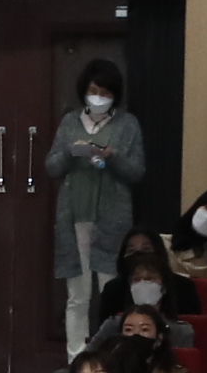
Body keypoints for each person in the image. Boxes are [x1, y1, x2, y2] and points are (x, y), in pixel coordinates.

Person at [45, 58, 146, 354]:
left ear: (114, 95)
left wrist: (112, 157)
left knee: (110, 291)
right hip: (74, 217)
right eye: (93, 91)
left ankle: (112, 356)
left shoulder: (127, 124)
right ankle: (76, 359)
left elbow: (137, 172)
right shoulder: (70, 122)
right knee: (77, 296)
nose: (98, 98)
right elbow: (51, 166)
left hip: (111, 221)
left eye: (105, 93)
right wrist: (71, 151)